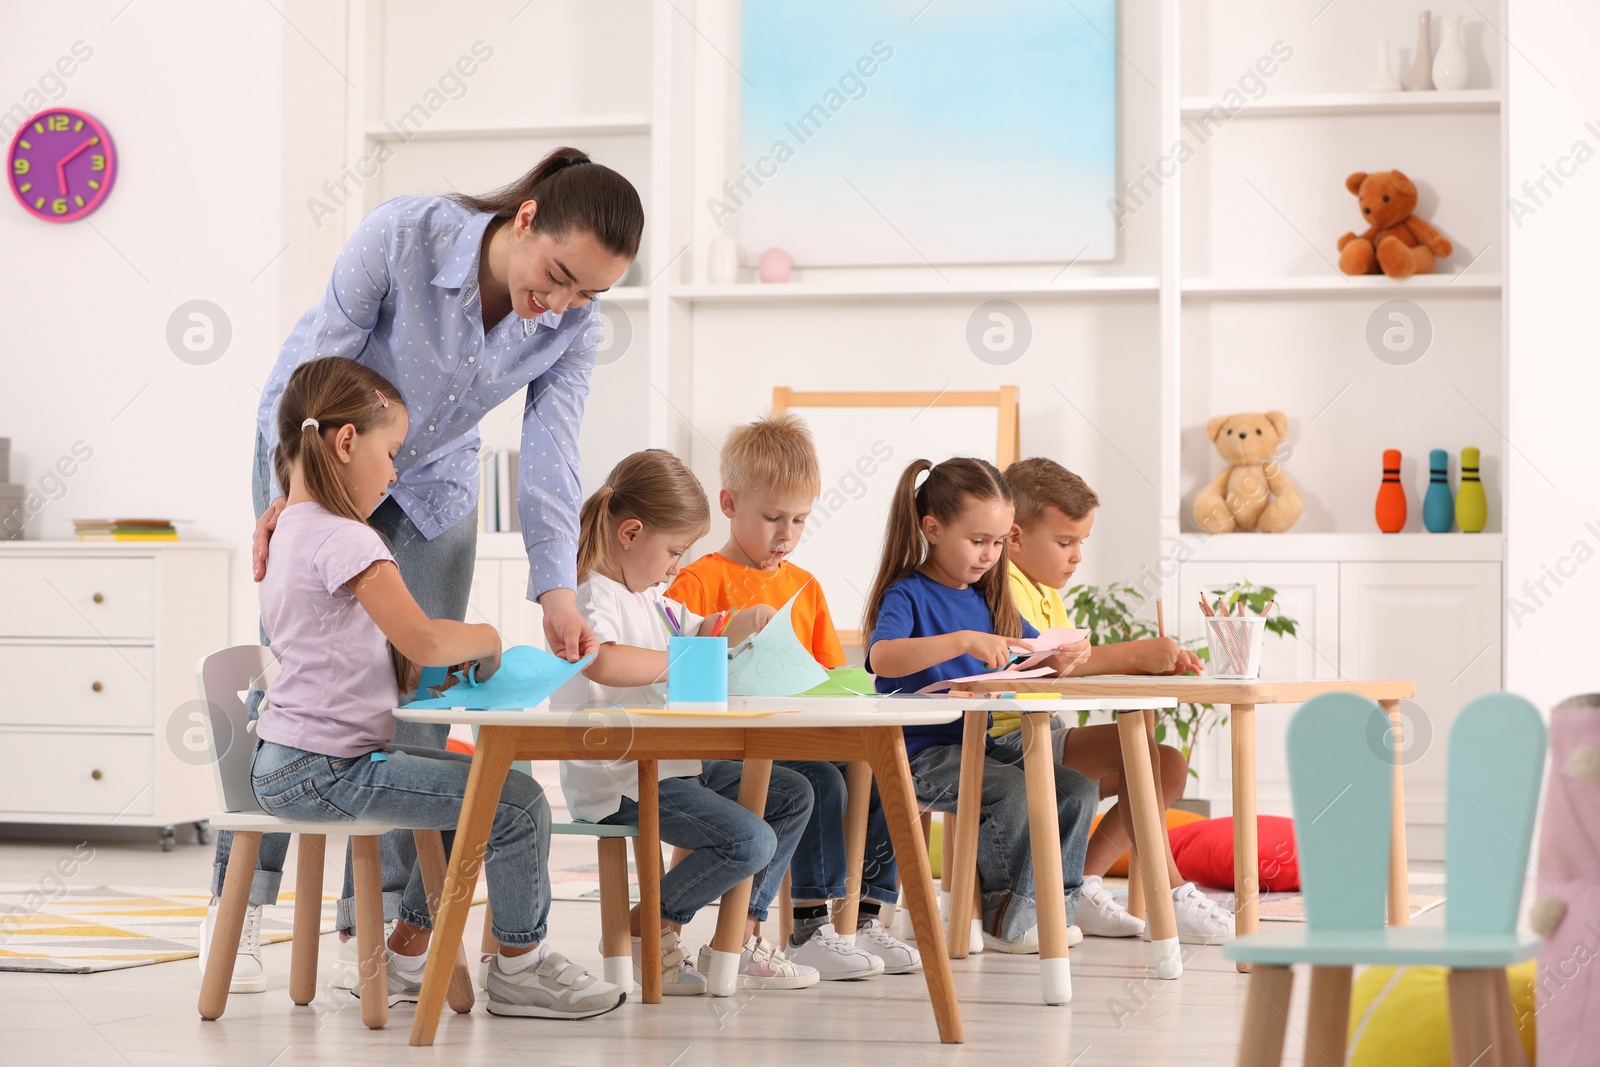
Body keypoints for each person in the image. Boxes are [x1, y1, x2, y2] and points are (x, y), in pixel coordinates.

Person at [201, 147, 644, 992]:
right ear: (524, 220)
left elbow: (552, 449)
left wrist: (556, 587)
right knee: (299, 686)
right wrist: (285, 493)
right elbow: (315, 372)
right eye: (557, 275)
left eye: (589, 292)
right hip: (321, 458)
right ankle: (240, 907)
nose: (563, 303)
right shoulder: (405, 234)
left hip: (435, 484)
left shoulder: (571, 324)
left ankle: (392, 942)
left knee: (420, 704)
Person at [247, 356, 623, 1018]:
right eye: (391, 452)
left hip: (285, 763)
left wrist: (435, 669)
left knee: (468, 787)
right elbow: (420, 637)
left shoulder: (288, 533)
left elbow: (351, 650)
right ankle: (520, 965)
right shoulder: (348, 539)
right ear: (344, 443)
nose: (395, 473)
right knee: (518, 800)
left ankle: (413, 954)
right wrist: (486, 637)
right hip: (328, 770)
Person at [558, 449, 819, 993]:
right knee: (749, 842)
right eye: (674, 551)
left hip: (674, 766)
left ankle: (735, 937)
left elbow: (699, 628)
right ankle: (650, 923)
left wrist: (746, 621)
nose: (678, 567)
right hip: (621, 778)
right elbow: (601, 658)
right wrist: (682, 664)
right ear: (630, 533)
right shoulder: (589, 598)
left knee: (792, 792)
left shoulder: (653, 598)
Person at [668, 414, 919, 977]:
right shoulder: (697, 581)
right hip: (724, 747)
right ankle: (808, 926)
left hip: (793, 734)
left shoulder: (805, 587)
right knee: (822, 781)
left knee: (878, 767)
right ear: (729, 505)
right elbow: (676, 670)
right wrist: (730, 629)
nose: (786, 535)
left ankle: (867, 914)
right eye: (773, 517)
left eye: (800, 520)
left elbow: (831, 674)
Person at [862, 457, 1096, 953]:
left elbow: (1033, 653)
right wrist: (961, 641)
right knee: (1011, 791)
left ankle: (1055, 910)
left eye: (997, 541)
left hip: (975, 746)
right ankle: (1010, 920)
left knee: (1075, 789)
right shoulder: (908, 593)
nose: (991, 555)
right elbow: (882, 658)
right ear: (933, 528)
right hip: (917, 754)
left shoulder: (990, 598)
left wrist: (1062, 657)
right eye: (978, 541)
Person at [999, 457, 1231, 945]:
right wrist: (1135, 653)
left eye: (1081, 542)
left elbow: (1067, 660)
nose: (1077, 556)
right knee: (1143, 755)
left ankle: (1080, 881)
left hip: (1040, 734)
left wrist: (1145, 663)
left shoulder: (1044, 592)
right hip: (1003, 743)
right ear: (1015, 537)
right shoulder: (1002, 587)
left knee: (1165, 764)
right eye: (1065, 543)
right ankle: (1171, 893)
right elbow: (1049, 664)